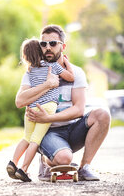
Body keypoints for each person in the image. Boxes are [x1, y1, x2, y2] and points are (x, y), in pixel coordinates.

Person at [15, 24, 111, 181]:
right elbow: (19, 101)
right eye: (43, 44)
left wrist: (48, 117)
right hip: (47, 132)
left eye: (53, 43)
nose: (47, 48)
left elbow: (79, 110)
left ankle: (84, 167)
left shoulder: (76, 72)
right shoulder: (32, 72)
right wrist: (46, 84)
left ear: (63, 46)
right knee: (64, 159)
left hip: (72, 129)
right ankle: (46, 159)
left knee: (103, 114)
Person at [6, 38, 75, 182]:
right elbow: (70, 77)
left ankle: (13, 163)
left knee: (26, 137)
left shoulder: (29, 71)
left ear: (25, 56)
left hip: (31, 108)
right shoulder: (52, 65)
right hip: (47, 107)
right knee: (35, 141)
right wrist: (67, 63)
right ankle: (23, 169)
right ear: (40, 51)